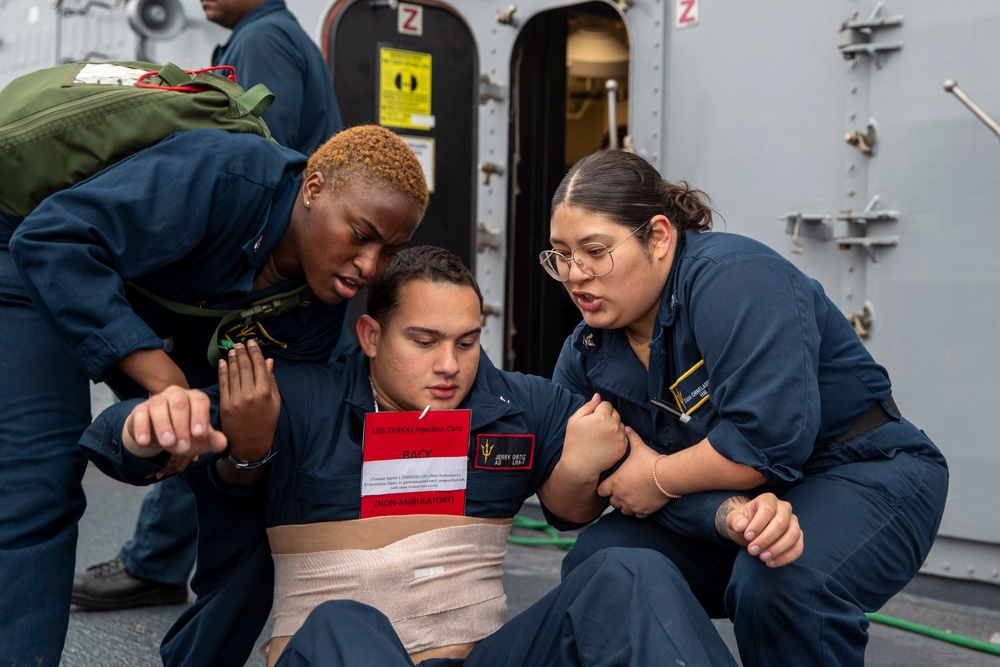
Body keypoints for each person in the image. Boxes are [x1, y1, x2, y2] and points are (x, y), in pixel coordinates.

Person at [82, 246, 802, 666]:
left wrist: (739, 512)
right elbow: (130, 437)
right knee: (346, 620)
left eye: (466, 340)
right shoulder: (294, 397)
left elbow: (653, 477)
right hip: (337, 653)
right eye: (422, 341)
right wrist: (146, 425)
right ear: (368, 335)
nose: (449, 364)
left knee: (628, 569)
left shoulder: (524, 405)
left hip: (479, 655)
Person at [0, 124, 427, 666]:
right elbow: (53, 238)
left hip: (148, 305)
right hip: (32, 250)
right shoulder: (228, 173)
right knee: (39, 482)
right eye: (360, 235)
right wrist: (168, 385)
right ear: (314, 189)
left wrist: (246, 456)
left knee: (270, 499)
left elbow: (237, 445)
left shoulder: (317, 317)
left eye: (390, 251)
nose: (370, 267)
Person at [540, 149, 950, 667]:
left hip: (861, 469)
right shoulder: (589, 351)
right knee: (603, 564)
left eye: (595, 250)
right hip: (723, 495)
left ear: (659, 237)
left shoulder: (736, 278)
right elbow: (574, 507)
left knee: (781, 583)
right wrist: (591, 468)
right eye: (560, 255)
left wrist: (659, 475)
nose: (575, 274)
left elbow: (767, 444)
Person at [73, 0, 348, 615]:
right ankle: (167, 562)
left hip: (271, 278)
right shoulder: (274, 35)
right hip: (278, 275)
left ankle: (156, 563)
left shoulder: (265, 40)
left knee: (211, 405)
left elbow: (257, 163)